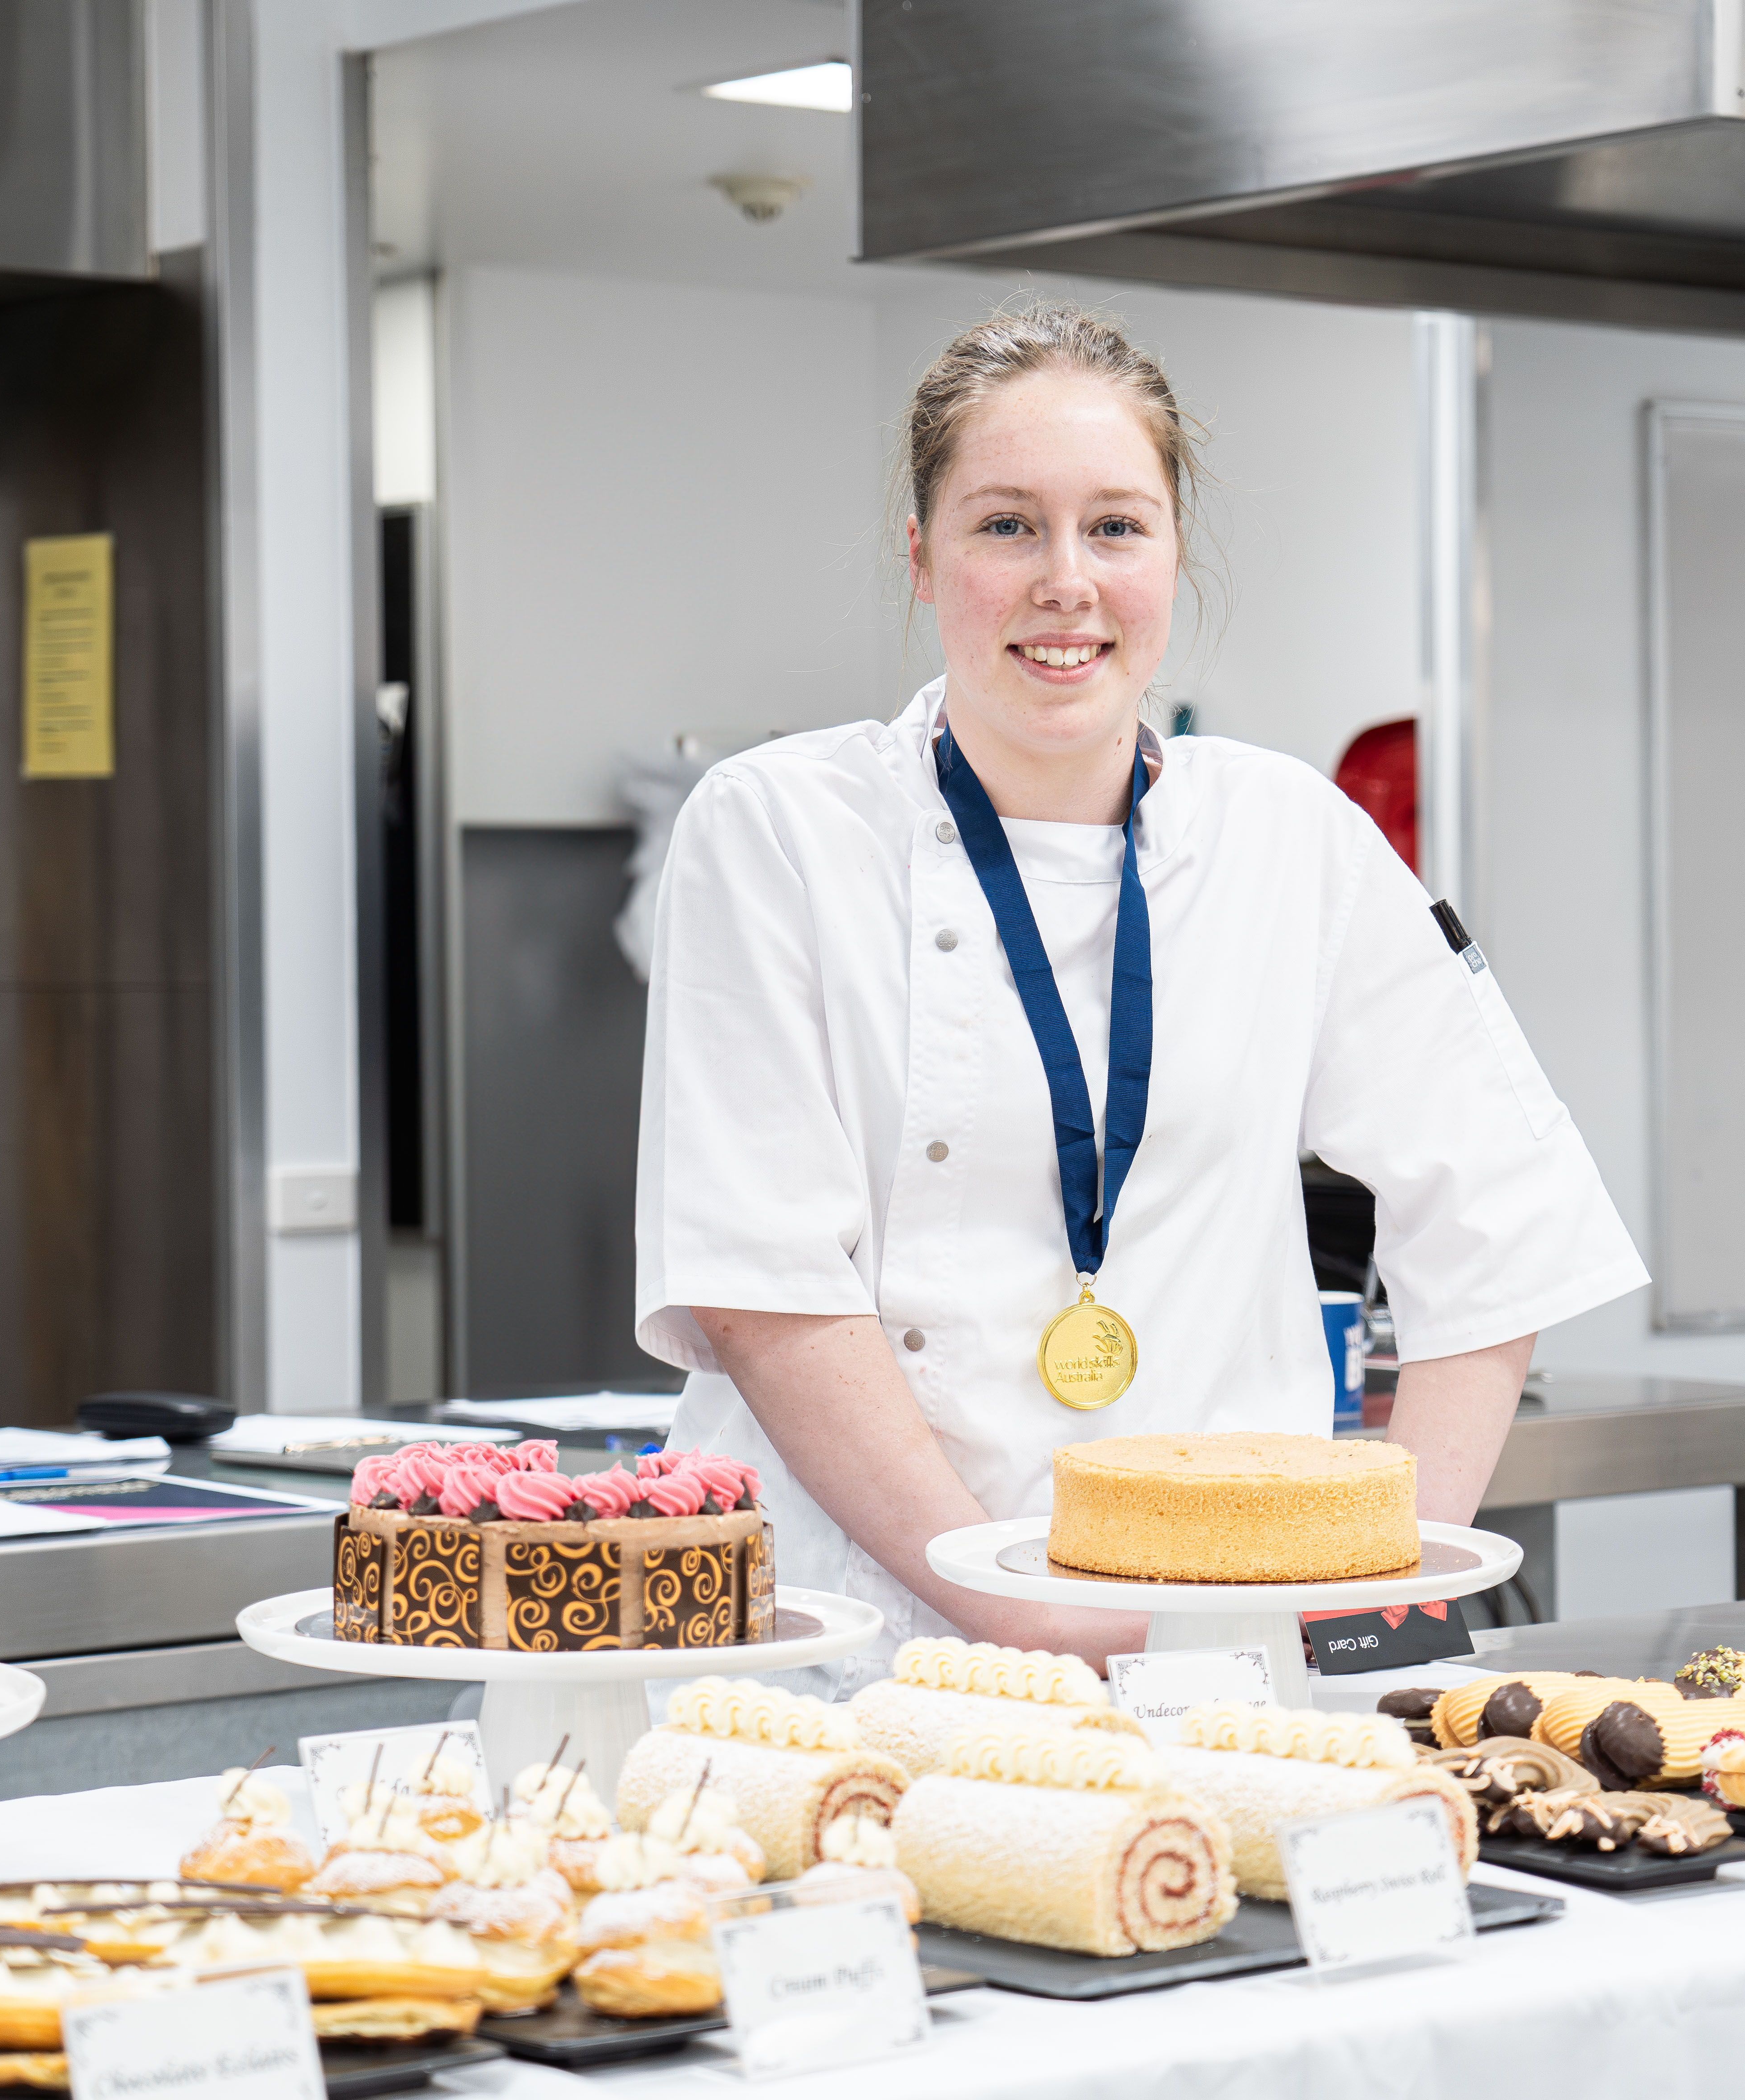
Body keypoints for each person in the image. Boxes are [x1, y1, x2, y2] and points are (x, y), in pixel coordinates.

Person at [633, 304, 1643, 1677]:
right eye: (1006, 525)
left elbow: (1501, 1220)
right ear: (921, 556)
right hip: (853, 1648)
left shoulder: (1291, 834)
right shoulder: (780, 830)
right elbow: (768, 1290)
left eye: (1117, 526)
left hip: (1222, 1652)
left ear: (1173, 552)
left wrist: (1376, 1588)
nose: (1068, 581)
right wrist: (1029, 1616)